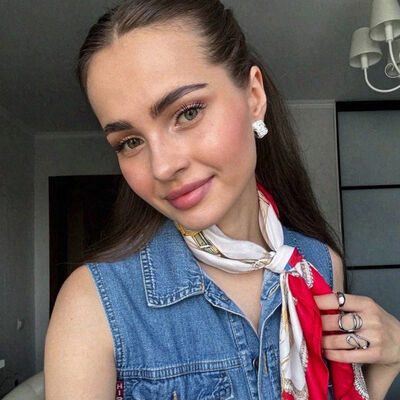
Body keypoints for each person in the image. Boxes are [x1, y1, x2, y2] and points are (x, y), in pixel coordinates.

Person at [44, 1, 400, 399]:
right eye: (129, 142)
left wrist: (386, 366)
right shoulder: (94, 302)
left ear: (253, 96)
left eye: (187, 112)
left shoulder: (317, 264)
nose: (162, 167)